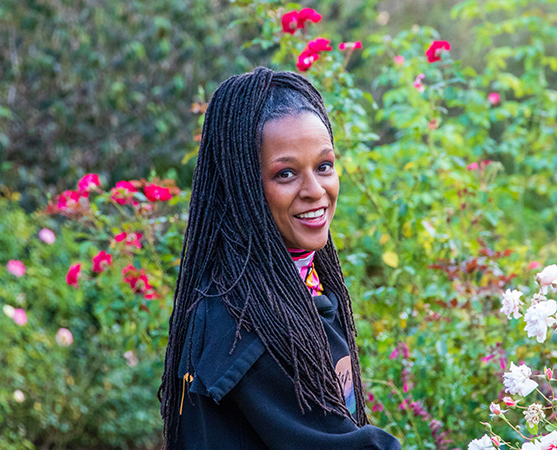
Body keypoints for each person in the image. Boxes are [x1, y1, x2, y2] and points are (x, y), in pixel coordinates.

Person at [158, 67, 401, 449]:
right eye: (286, 174)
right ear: (243, 185)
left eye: (324, 166)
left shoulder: (287, 283)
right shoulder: (249, 324)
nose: (315, 190)